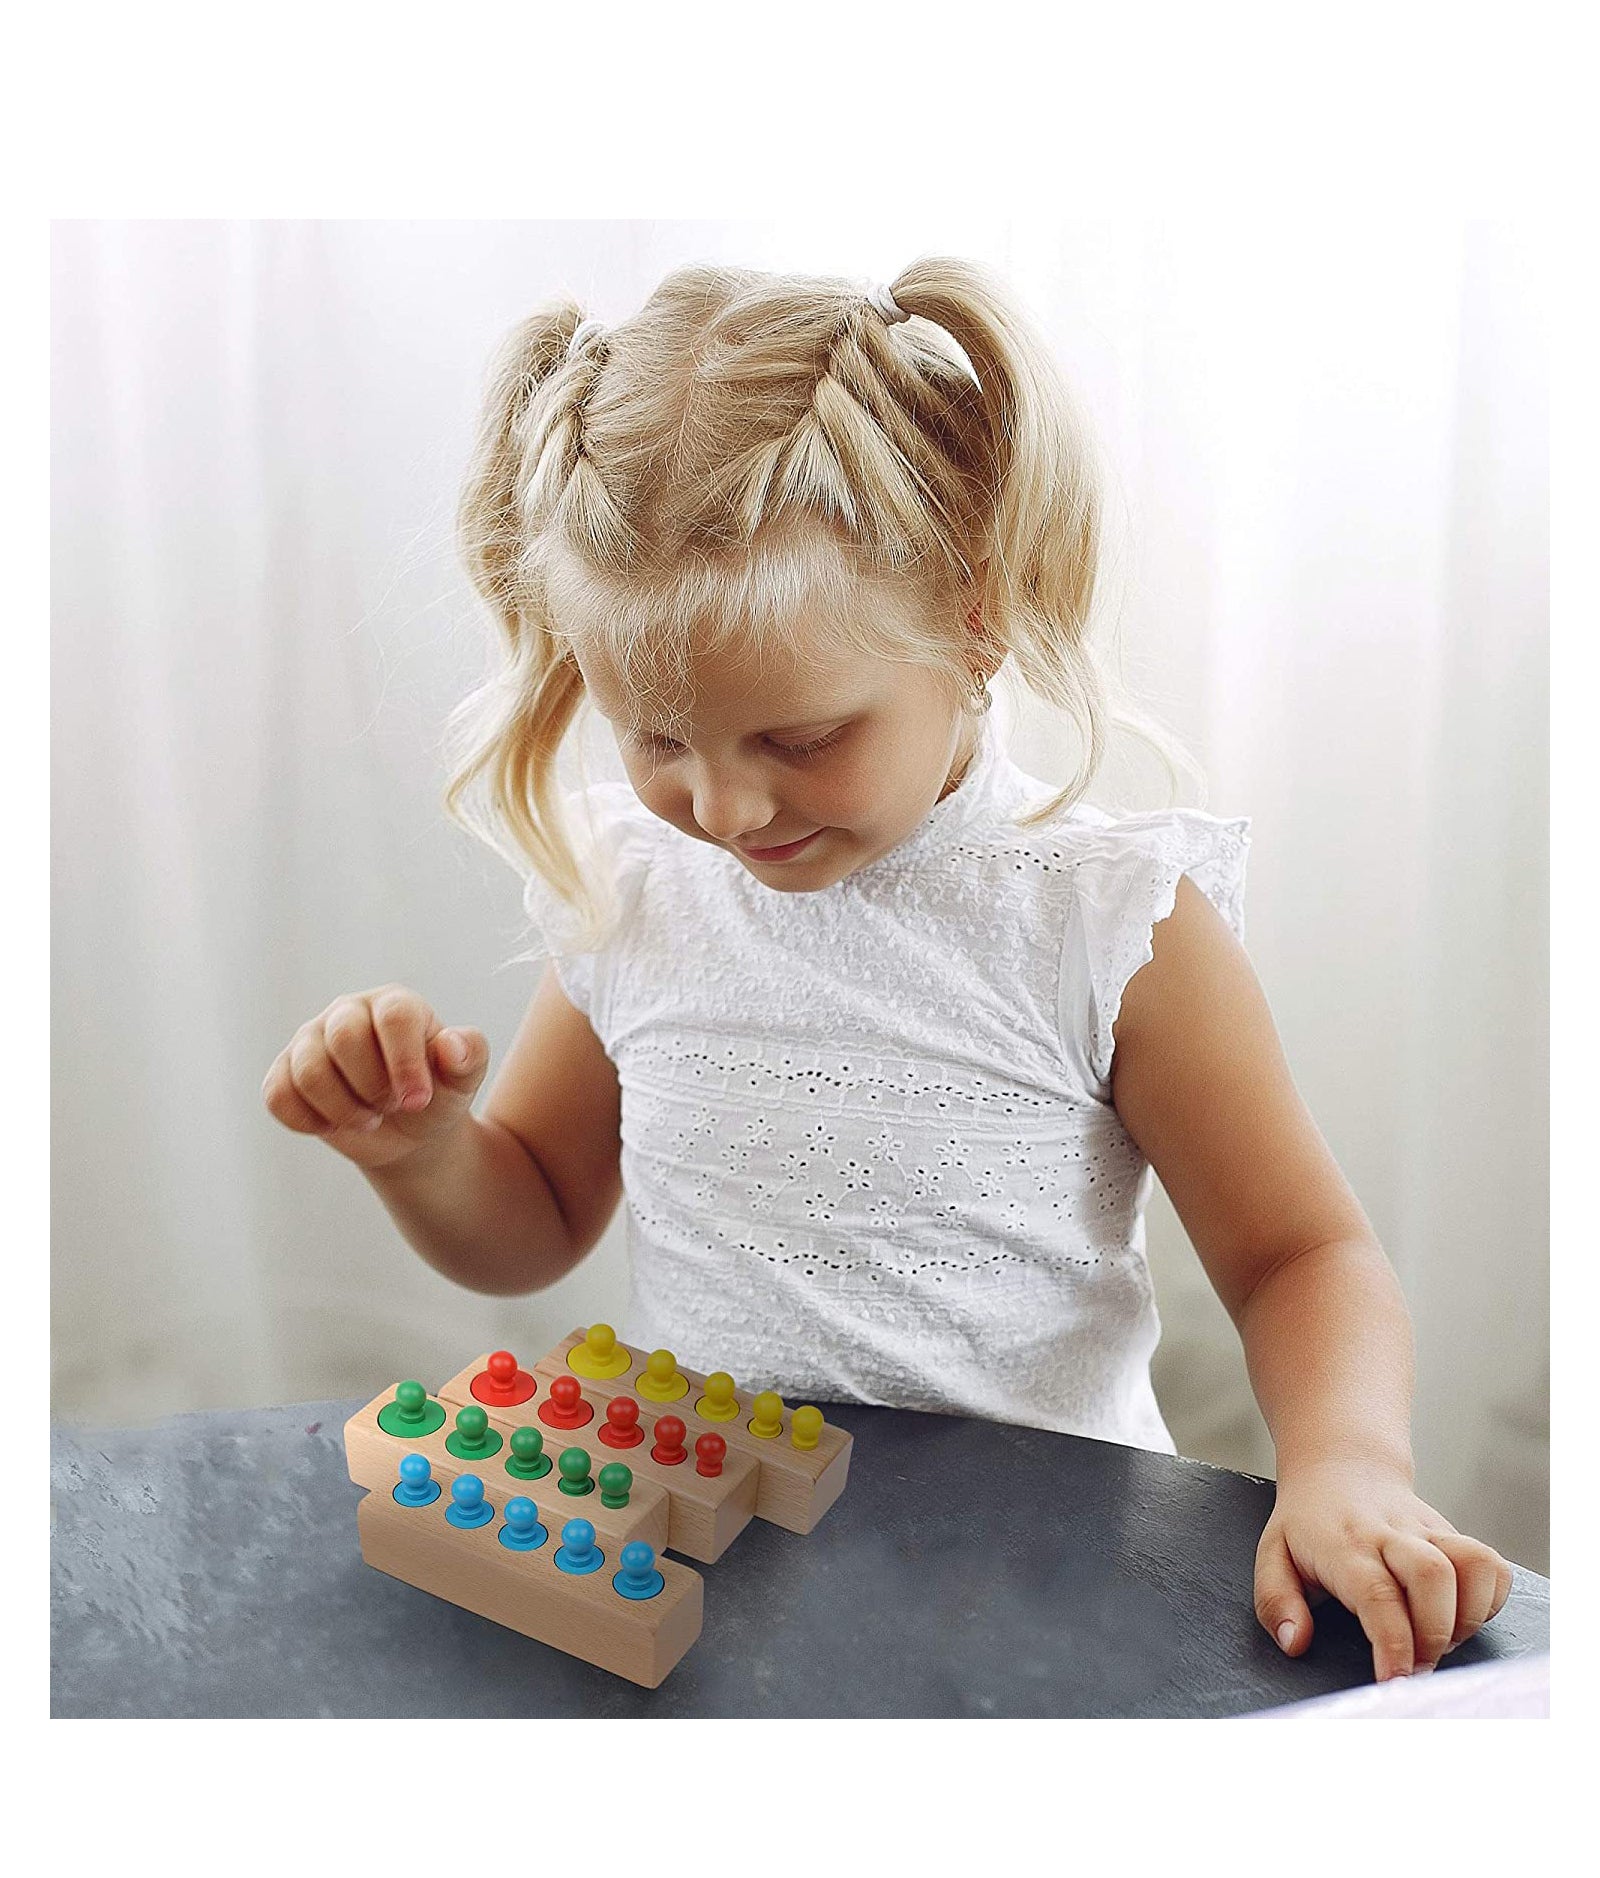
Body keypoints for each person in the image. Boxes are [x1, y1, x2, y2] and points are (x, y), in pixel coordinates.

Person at [262, 256, 1512, 1683]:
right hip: (727, 1599)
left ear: (973, 616)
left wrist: (1345, 1464)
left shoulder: (1106, 924)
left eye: (797, 739)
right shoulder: (639, 885)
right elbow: (533, 1219)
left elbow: (1304, 1254)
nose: (725, 811)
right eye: (659, 740)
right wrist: (418, 1150)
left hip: (1053, 1593)